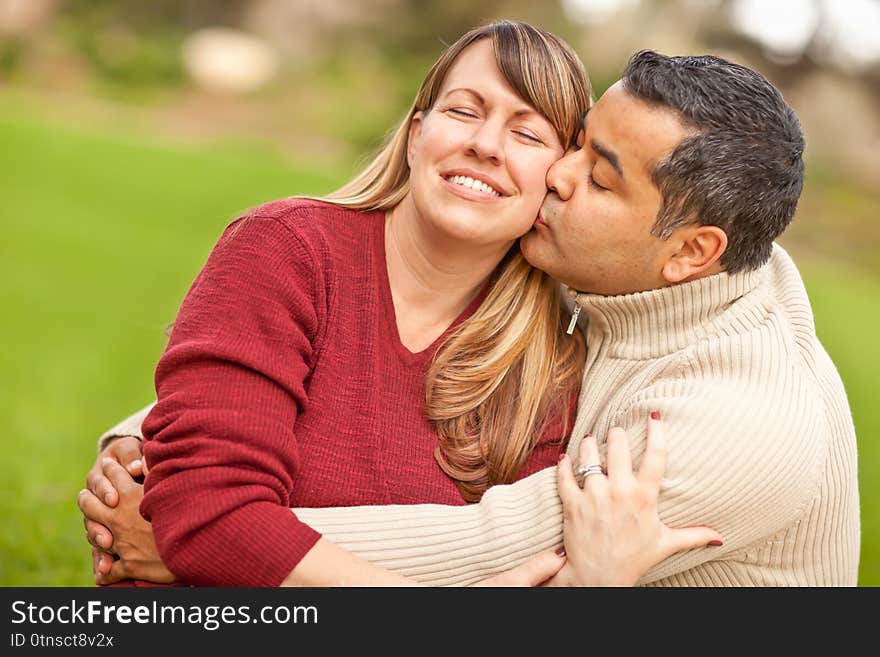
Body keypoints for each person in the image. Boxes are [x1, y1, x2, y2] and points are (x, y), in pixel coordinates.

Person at [85, 47, 860, 587]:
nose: (552, 174)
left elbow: (492, 558)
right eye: (577, 143)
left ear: (693, 250)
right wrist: (156, 438)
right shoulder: (627, 279)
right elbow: (343, 356)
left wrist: (192, 528)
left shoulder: (738, 424)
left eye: (598, 177)